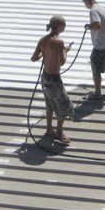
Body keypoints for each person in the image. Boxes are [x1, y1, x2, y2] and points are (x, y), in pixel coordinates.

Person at [31, 15, 75, 143]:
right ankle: (59, 133)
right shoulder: (58, 42)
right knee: (65, 105)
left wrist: (44, 54)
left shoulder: (42, 40)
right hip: (55, 79)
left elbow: (34, 58)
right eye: (64, 26)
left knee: (49, 103)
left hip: (44, 77)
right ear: (60, 26)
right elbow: (62, 62)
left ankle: (49, 129)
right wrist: (65, 51)